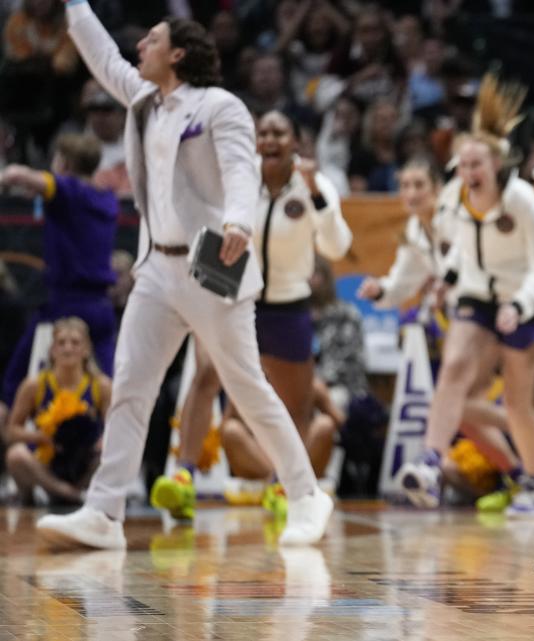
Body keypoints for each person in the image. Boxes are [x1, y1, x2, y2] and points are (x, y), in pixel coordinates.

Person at [36, 1, 331, 550]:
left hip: (213, 265)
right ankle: (104, 511)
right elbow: (102, 57)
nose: (139, 47)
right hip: (155, 269)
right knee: (129, 385)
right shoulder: (145, 99)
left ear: (177, 53)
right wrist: (75, 6)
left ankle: (307, 495)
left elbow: (242, 169)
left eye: (151, 39)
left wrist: (240, 218)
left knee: (245, 386)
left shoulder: (221, 107)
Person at [149, 109, 352, 520]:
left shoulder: (316, 185)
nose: (272, 139)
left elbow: (336, 247)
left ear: (296, 142)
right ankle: (183, 477)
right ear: (254, 140)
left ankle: (284, 484)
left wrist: (315, 194)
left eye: (281, 132)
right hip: (234, 295)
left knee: (292, 402)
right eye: (265, 132)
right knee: (206, 374)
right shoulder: (238, 178)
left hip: (290, 303)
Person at [395, 74, 534, 516]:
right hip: (477, 297)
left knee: (515, 401)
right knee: (452, 368)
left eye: (477, 166)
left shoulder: (523, 200)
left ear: (496, 166)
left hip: (528, 302)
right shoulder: (453, 198)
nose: (469, 174)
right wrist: (445, 278)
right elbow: (456, 251)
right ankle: (431, 464)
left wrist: (521, 305)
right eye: (463, 166)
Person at [0, 132, 118, 426]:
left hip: (64, 306)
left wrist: (7, 177)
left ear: (63, 162)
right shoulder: (107, 200)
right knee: (112, 392)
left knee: (11, 386)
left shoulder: (67, 189)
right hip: (101, 308)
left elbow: (19, 174)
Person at [4, 317, 110, 505]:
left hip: (86, 461)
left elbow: (115, 428)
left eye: (75, 343)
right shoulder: (35, 385)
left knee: (110, 454)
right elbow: (11, 431)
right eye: (61, 343)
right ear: (52, 350)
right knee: (16, 455)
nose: (68, 348)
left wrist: (101, 442)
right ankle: (63, 493)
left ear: (86, 349)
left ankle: (81, 491)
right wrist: (41, 438)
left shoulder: (100, 385)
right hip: (47, 462)